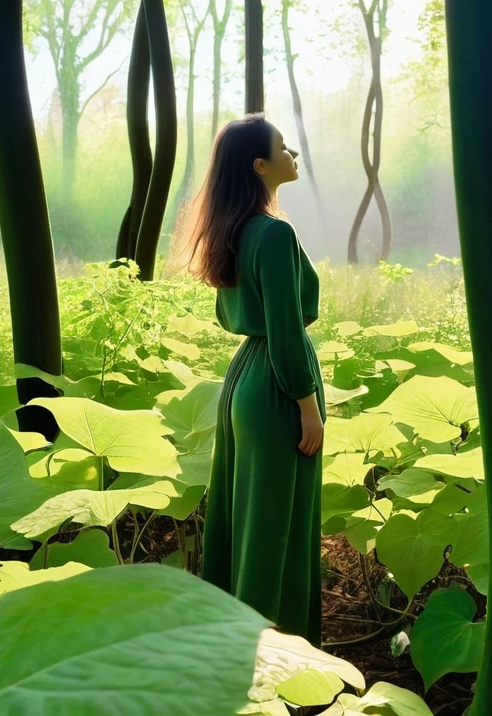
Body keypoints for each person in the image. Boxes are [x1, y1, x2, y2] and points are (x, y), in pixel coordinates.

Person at [185, 113, 326, 646]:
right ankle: (276, 654)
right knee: (274, 527)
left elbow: (235, 316)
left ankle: (229, 639)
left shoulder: (234, 229)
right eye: (285, 149)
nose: (295, 156)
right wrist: (307, 407)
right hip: (275, 388)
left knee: (244, 517)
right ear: (260, 165)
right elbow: (287, 333)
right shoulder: (273, 233)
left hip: (243, 378)